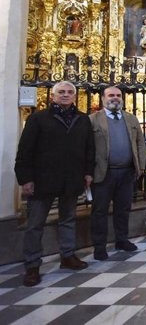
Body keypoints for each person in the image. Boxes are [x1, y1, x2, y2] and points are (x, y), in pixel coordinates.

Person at [14, 81, 95, 287]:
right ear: (53, 96)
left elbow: (89, 149)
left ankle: (67, 256)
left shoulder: (82, 119)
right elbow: (25, 151)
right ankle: (32, 265)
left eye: (69, 92)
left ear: (75, 96)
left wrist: (88, 172)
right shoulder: (38, 118)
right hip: (43, 180)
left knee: (68, 219)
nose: (66, 95)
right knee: (35, 224)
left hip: (71, 179)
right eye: (61, 92)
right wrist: (25, 178)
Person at [90, 86, 146, 261]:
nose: (115, 98)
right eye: (111, 95)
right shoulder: (93, 120)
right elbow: (87, 147)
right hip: (103, 173)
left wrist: (141, 167)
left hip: (127, 172)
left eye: (118, 95)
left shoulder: (131, 119)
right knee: (99, 211)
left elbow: (140, 143)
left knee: (123, 208)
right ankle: (99, 246)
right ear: (103, 98)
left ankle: (122, 239)